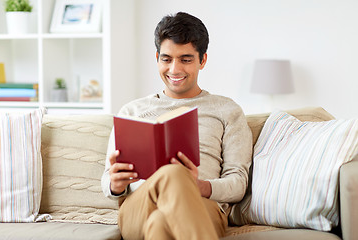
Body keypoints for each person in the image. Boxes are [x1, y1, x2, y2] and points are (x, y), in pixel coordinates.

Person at [101, 12, 252, 240]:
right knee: (172, 173)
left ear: (203, 60)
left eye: (186, 59)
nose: (174, 69)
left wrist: (199, 185)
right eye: (166, 59)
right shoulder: (131, 112)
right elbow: (107, 180)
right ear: (157, 57)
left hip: (202, 207)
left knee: (161, 224)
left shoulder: (227, 111)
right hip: (139, 208)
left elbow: (238, 183)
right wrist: (115, 184)